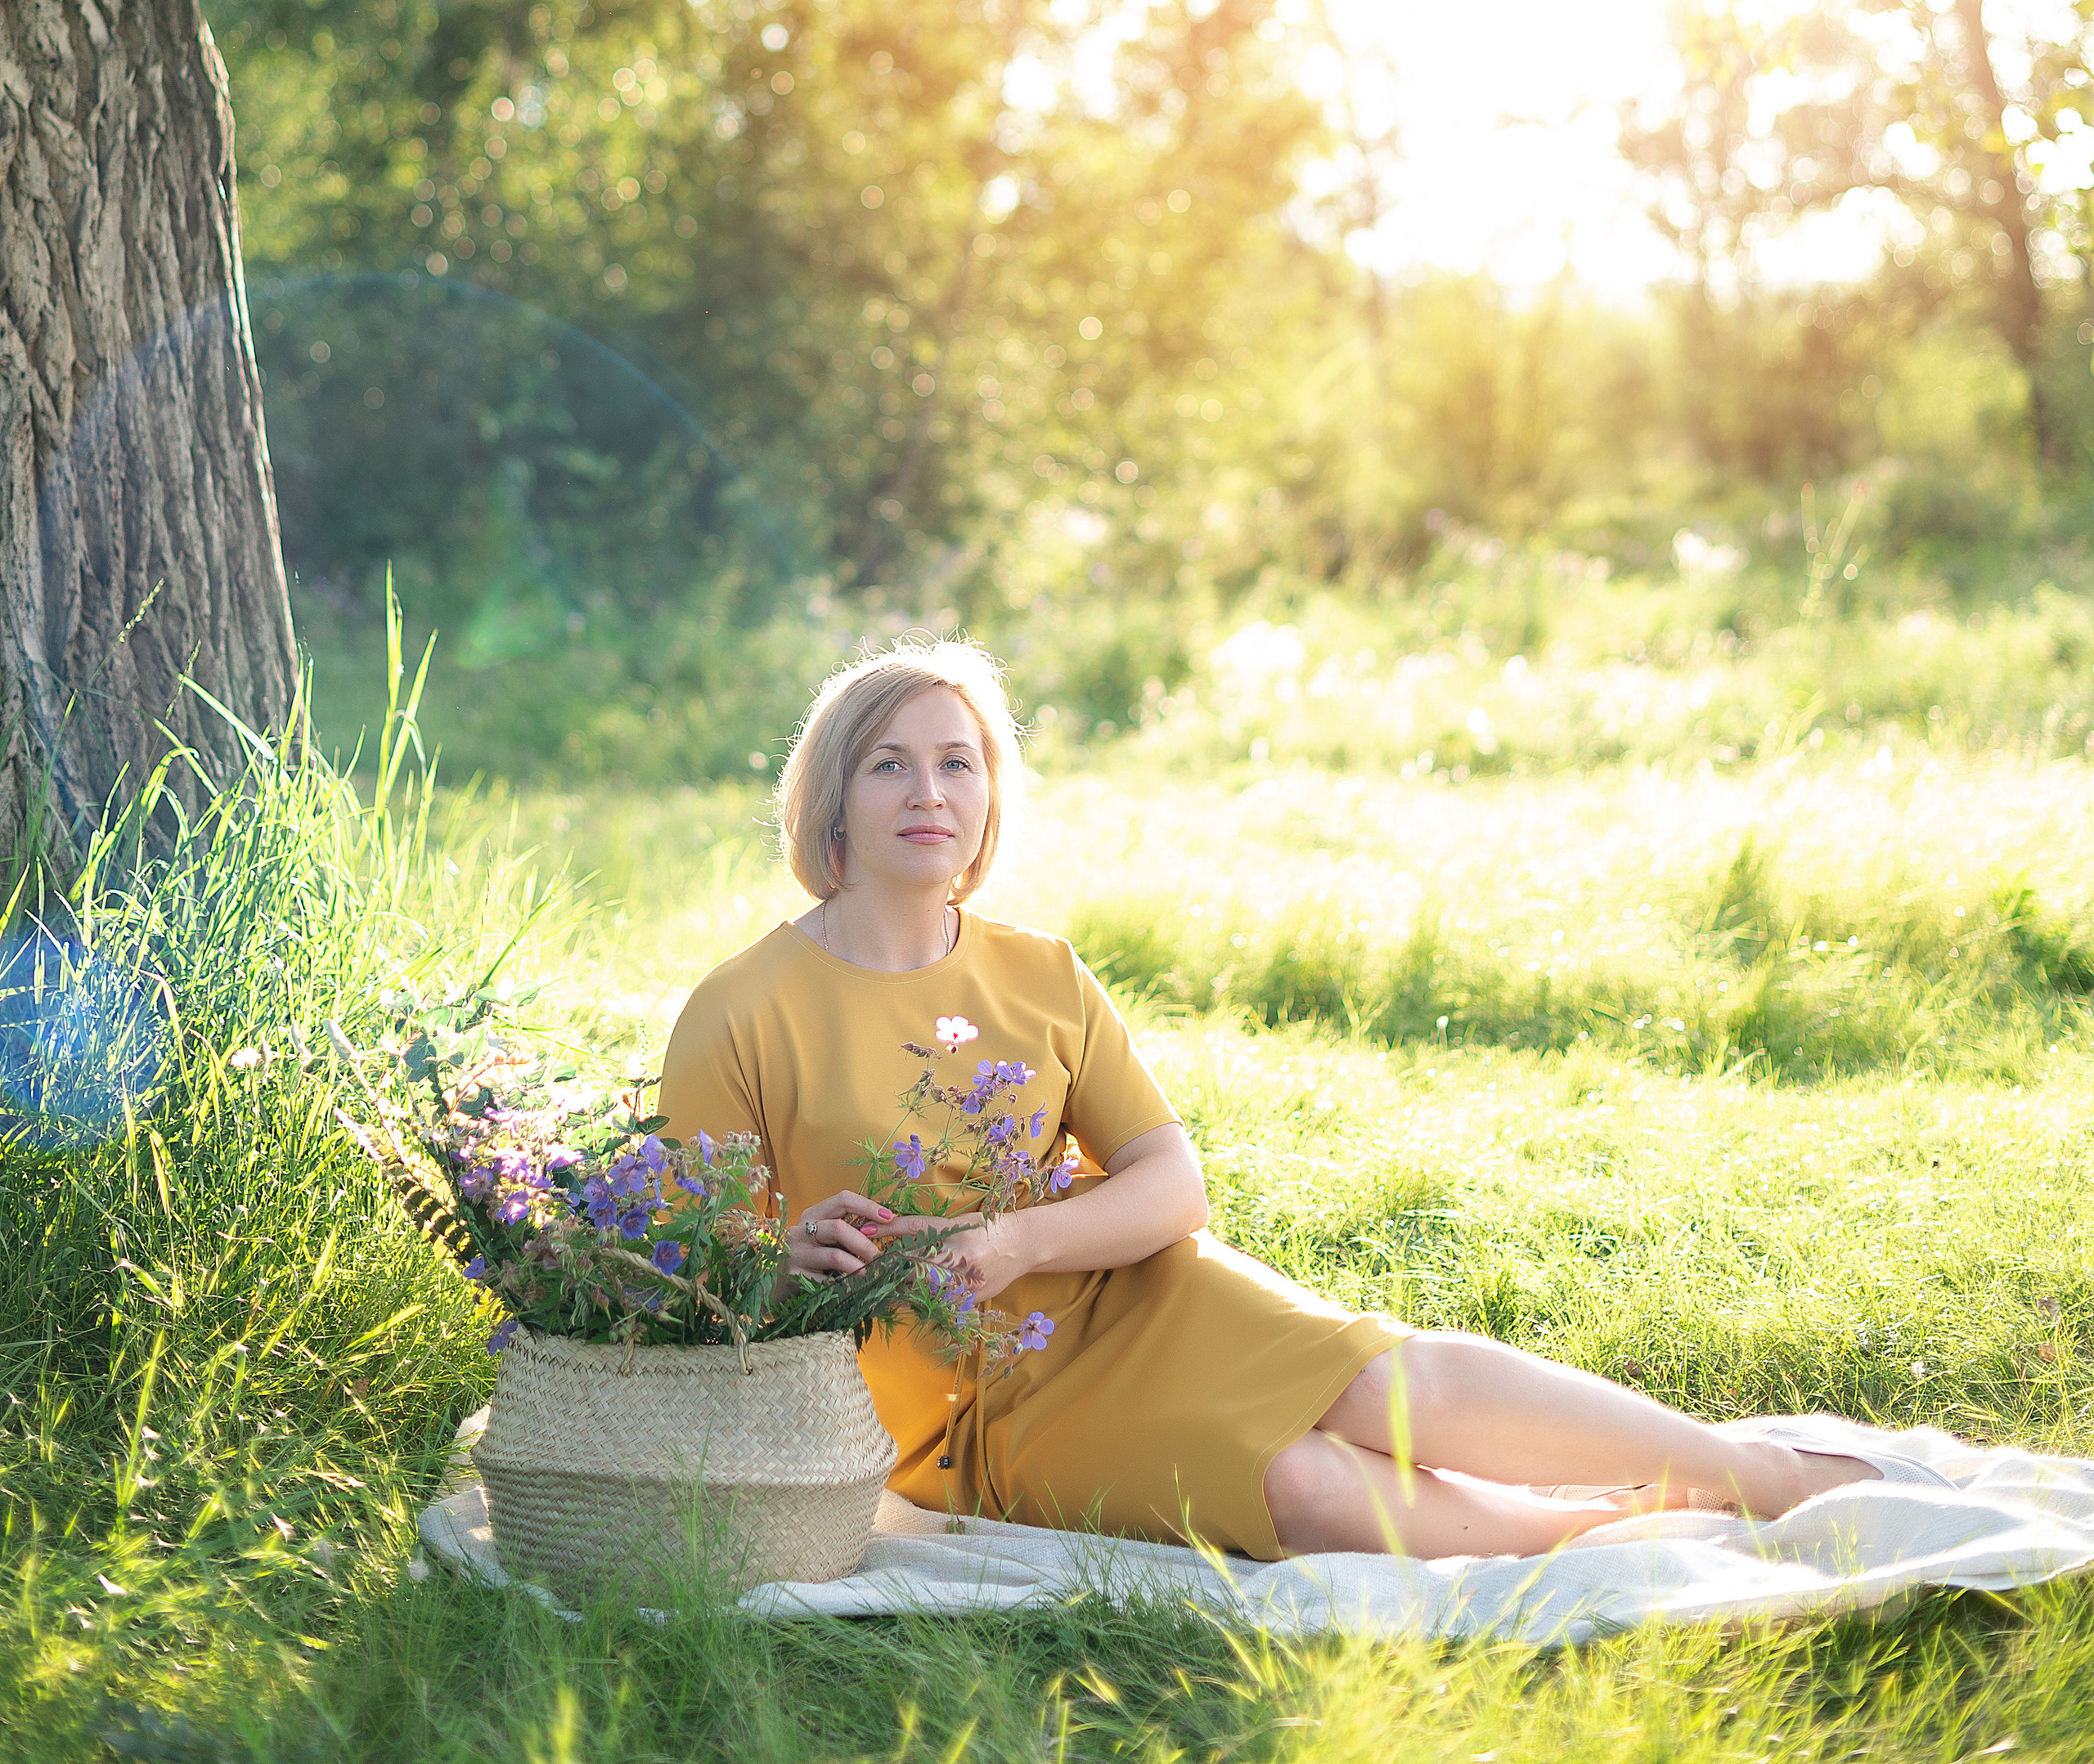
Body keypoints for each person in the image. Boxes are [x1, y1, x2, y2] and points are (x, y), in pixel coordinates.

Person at [655, 640, 1880, 1561]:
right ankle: (1605, 1529)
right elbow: (680, 1280)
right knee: (1299, 1488)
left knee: (1383, 1386)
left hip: (1121, 1294)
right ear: (832, 797)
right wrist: (785, 1256)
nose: (931, 793)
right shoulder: (743, 1008)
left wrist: (1014, 1240)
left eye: (957, 763)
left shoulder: (1040, 974)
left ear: (988, 797)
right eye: (891, 764)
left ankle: (1758, 1474)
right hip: (963, 1408)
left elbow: (1171, 1188)